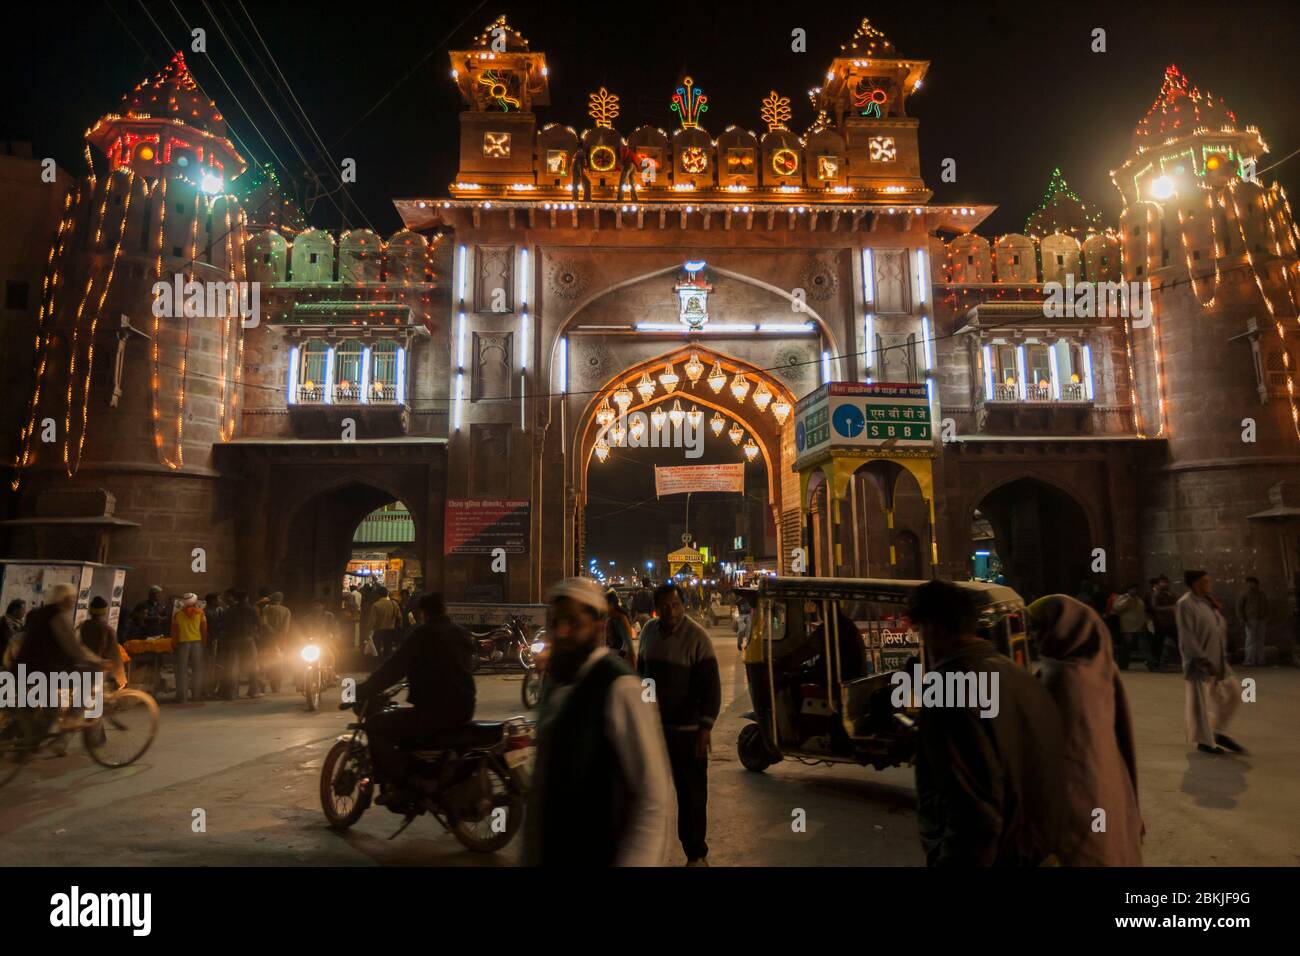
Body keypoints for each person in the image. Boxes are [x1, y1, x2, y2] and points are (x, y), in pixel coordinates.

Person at [906, 580, 1066, 866]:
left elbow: (972, 804)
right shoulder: (1020, 677)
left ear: (932, 627)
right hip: (1039, 850)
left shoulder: (950, 686)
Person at [524, 577, 671, 866]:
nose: (562, 632)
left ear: (597, 626)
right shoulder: (557, 682)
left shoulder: (621, 687)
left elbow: (654, 798)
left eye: (573, 622)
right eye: (555, 623)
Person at [1028, 595, 1143, 866]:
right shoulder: (1102, 668)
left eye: (1038, 628)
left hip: (1078, 798)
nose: (1034, 636)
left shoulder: (1060, 678)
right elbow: (1124, 733)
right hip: (1111, 784)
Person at [354, 593, 476, 804]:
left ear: (423, 613)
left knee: (375, 725)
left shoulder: (423, 634)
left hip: (434, 711)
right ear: (445, 609)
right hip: (464, 708)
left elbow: (393, 669)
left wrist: (364, 689)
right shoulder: (461, 633)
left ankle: (403, 784)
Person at [636, 583, 721, 866]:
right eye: (665, 606)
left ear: (683, 606)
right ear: (656, 608)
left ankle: (696, 854)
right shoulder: (648, 632)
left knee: (692, 796)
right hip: (655, 733)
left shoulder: (698, 638)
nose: (670, 611)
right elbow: (641, 673)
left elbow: (711, 688)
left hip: (687, 735)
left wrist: (705, 728)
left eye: (675, 605)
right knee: (651, 795)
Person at [1176, 571, 1245, 755]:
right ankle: (1204, 741)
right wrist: (1201, 659)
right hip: (1199, 661)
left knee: (1234, 693)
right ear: (1196, 584)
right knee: (1200, 703)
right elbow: (1187, 636)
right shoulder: (1185, 604)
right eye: (1206, 581)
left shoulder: (1208, 601)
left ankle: (1218, 731)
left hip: (1218, 657)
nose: (1210, 584)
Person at [221, 590, 263, 700]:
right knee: (252, 665)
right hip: (248, 639)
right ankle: (254, 691)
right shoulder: (252, 610)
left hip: (233, 640)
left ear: (236, 599)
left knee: (233, 667)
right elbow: (258, 624)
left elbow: (225, 625)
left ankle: (232, 693)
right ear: (247, 598)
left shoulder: (230, 610)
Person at [170, 593, 208, 704]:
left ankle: (182, 697)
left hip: (182, 644)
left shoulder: (177, 615)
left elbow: (174, 632)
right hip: (197, 643)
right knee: (197, 670)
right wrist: (204, 643)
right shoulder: (200, 613)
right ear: (195, 602)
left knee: (182, 671)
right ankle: (196, 696)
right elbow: (204, 630)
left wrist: (175, 644)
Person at [1110, 584, 1149, 671]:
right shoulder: (1123, 598)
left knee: (1144, 646)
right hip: (1127, 627)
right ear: (1128, 590)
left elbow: (1142, 611)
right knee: (1126, 647)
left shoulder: (1138, 599)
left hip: (1139, 626)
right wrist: (1127, 600)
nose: (1134, 591)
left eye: (1136, 590)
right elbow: (1116, 608)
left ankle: (1151, 664)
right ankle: (1122, 665)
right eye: (1133, 589)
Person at [259, 591, 292, 692]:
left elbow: (263, 622)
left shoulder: (266, 609)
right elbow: (286, 627)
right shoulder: (286, 610)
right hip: (280, 640)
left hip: (266, 640)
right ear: (281, 600)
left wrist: (271, 631)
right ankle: (276, 686)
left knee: (263, 662)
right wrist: (280, 635)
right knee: (278, 663)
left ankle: (262, 685)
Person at [1147, 575, 1179, 671]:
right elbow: (1153, 607)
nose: (1164, 584)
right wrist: (1169, 608)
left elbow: (1176, 604)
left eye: (1166, 582)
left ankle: (1176, 661)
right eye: (1162, 582)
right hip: (1160, 623)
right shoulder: (1155, 594)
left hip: (1171, 622)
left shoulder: (1171, 594)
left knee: (1178, 641)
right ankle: (1154, 663)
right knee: (1158, 644)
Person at [1236, 577, 1269, 667]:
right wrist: (1242, 619)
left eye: (1252, 583)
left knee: (1260, 640)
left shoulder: (1262, 594)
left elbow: (1266, 606)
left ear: (1256, 584)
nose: (1250, 585)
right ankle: (1250, 661)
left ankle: (1260, 661)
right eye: (1249, 583)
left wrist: (1266, 617)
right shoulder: (1245, 594)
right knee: (1250, 640)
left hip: (1261, 619)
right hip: (1250, 619)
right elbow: (1239, 608)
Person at [366, 587, 402, 658]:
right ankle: (387, 665)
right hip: (391, 630)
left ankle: (378, 664)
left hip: (378, 631)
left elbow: (372, 621)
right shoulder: (394, 604)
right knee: (388, 649)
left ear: (378, 595)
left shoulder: (376, 605)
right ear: (387, 594)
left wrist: (368, 631)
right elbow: (400, 617)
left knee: (377, 650)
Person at [604, 589, 636, 667]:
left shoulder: (619, 618)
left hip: (621, 660)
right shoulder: (610, 617)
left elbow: (627, 642)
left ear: (612, 604)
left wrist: (619, 657)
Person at [1, 598, 26, 666]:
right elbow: (11, 640)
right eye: (23, 609)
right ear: (15, 610)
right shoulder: (5, 624)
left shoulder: (19, 624)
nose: (24, 612)